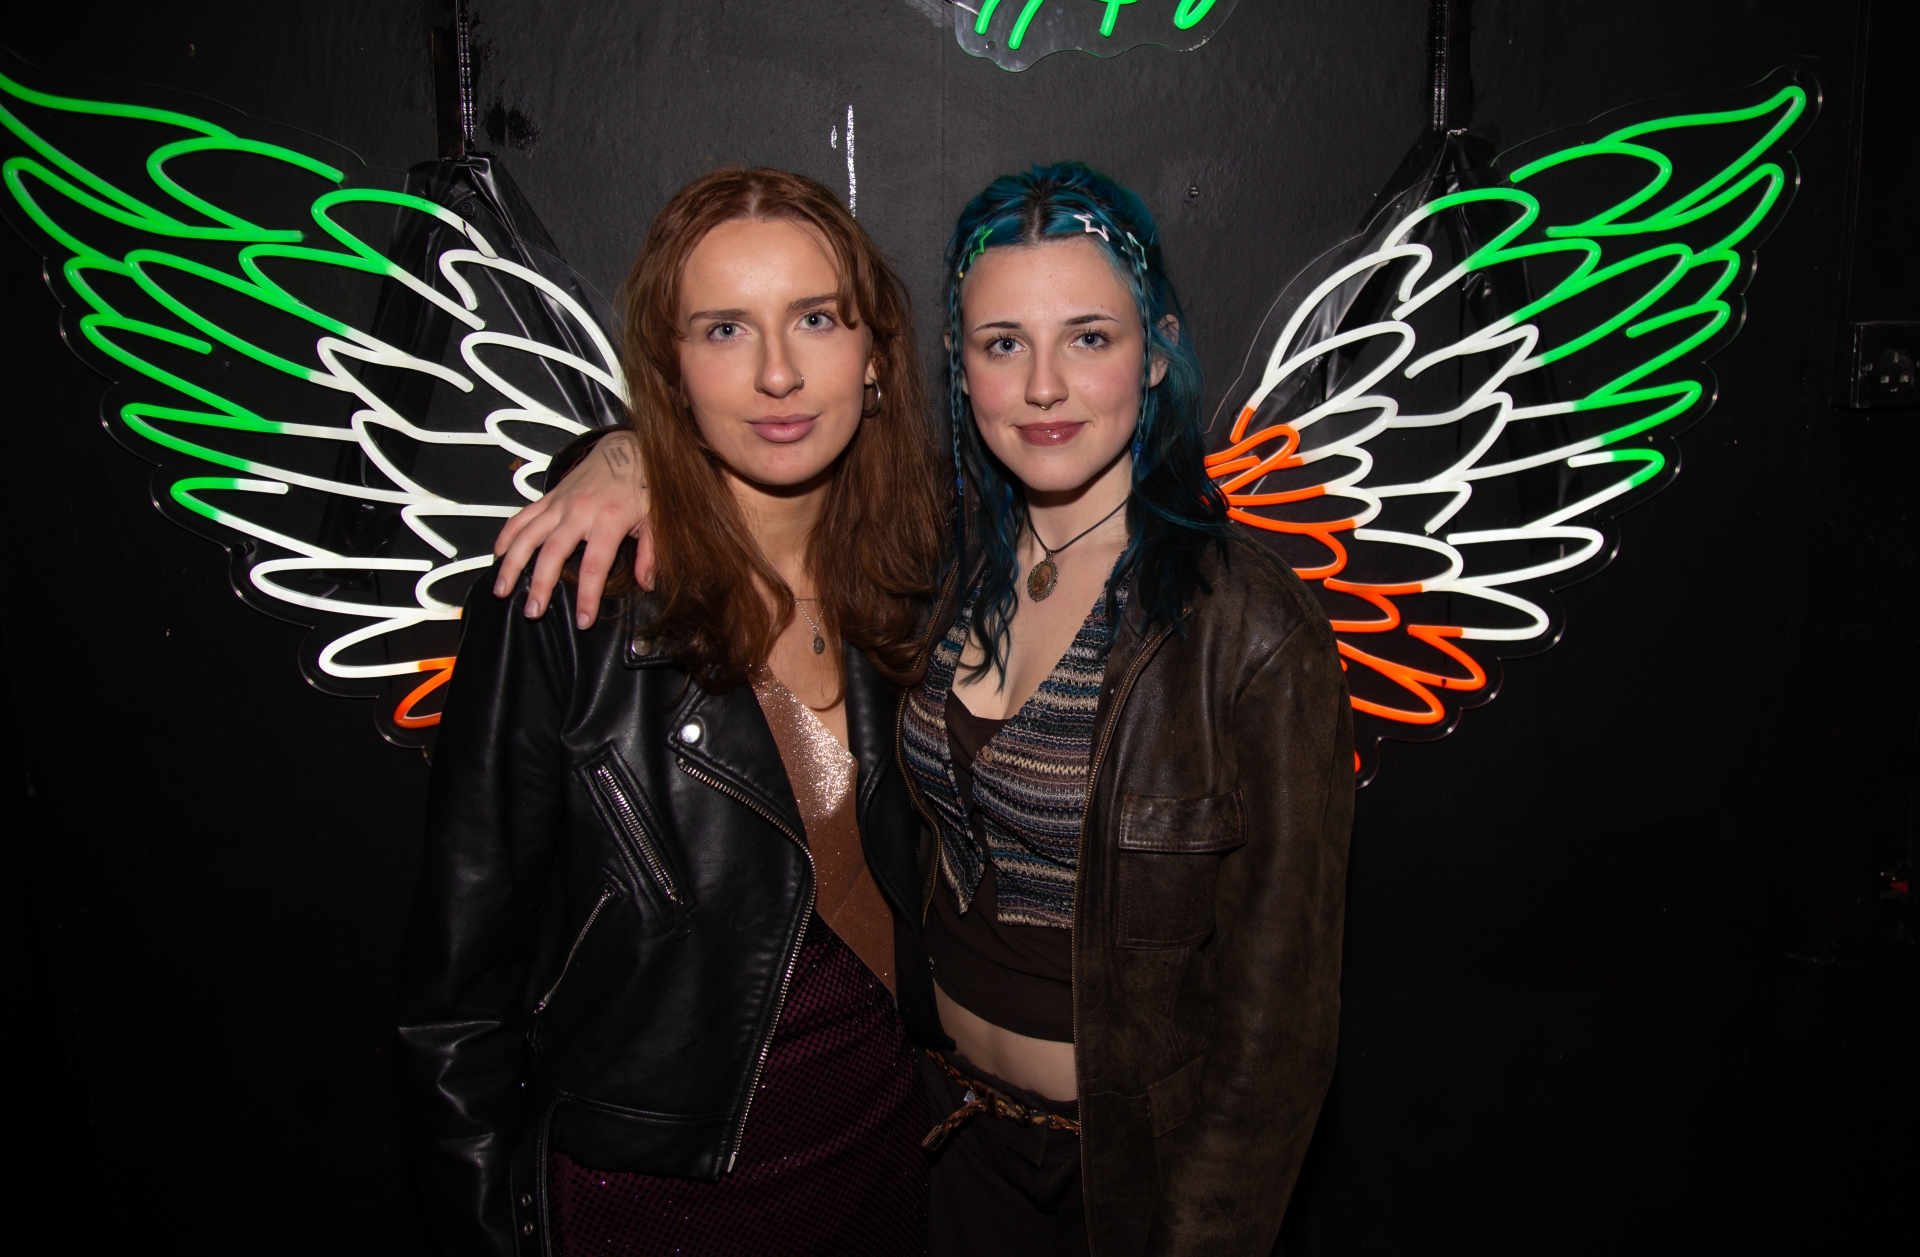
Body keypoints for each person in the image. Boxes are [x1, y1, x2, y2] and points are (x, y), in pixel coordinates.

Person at [496, 163, 1356, 1256]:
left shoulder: (1247, 627)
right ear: (959, 364)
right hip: (937, 1141)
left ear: (1156, 353)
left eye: (1090, 337)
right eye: (1002, 344)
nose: (1044, 386)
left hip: (1124, 1173)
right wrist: (618, 456)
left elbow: (1279, 1025)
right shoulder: (934, 566)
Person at [396, 167, 948, 1256]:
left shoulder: (929, 575)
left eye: (817, 318)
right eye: (725, 329)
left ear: (877, 354)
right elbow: (455, 999)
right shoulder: (570, 603)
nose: (778, 372)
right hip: (652, 1208)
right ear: (672, 368)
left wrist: (617, 448)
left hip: (888, 1171)